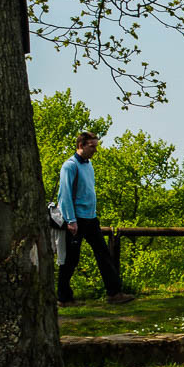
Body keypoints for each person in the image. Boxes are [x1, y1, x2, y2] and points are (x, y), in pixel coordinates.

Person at [55, 130, 132, 305]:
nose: (95, 150)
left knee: (103, 254)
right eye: (92, 146)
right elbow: (64, 195)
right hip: (76, 219)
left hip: (90, 218)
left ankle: (114, 293)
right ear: (81, 145)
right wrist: (70, 220)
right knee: (70, 259)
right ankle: (64, 297)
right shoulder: (70, 166)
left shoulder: (88, 165)